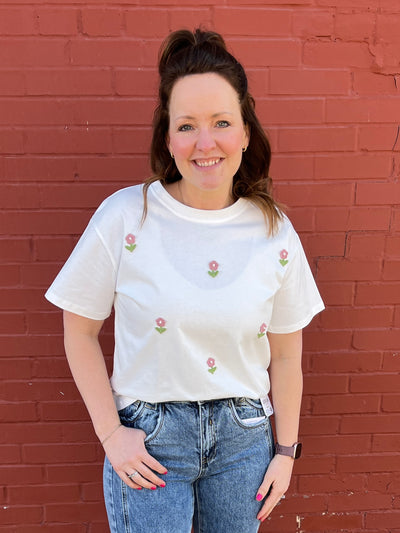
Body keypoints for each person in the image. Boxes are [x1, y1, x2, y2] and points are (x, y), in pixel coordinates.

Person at [45, 28, 324, 533]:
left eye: (221, 122)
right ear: (168, 137)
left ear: (244, 131)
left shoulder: (273, 230)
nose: (205, 142)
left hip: (245, 442)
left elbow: (286, 355)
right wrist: (111, 434)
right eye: (187, 125)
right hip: (150, 440)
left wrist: (285, 451)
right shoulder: (126, 217)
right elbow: (78, 331)